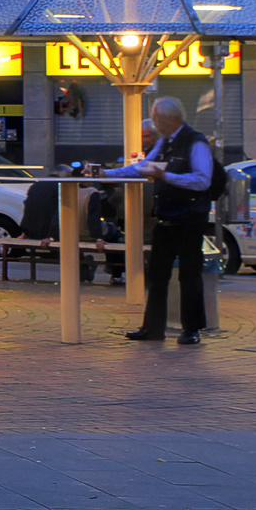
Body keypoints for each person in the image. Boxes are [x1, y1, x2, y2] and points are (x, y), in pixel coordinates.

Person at [110, 97, 214, 345]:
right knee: (157, 276)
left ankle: (192, 330)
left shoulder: (196, 142)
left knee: (189, 276)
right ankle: (152, 328)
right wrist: (107, 174)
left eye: (157, 120)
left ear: (169, 119)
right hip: (166, 218)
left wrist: (165, 176)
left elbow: (202, 180)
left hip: (190, 219)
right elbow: (144, 167)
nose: (155, 126)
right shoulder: (166, 143)